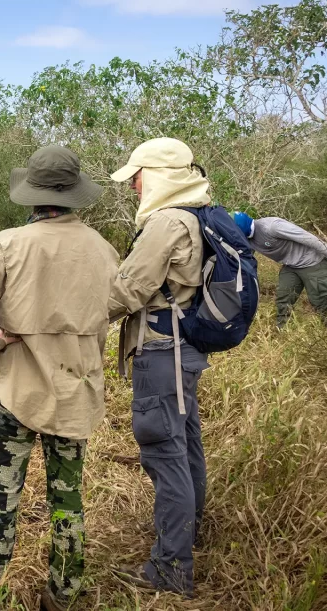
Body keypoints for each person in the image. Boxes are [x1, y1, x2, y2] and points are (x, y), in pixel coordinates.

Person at [0, 146, 119, 611]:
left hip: (16, 395)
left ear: (32, 195)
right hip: (77, 394)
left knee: (2, 498)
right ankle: (63, 596)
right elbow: (120, 309)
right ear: (75, 195)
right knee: (69, 499)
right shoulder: (104, 251)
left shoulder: (8, 244)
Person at [107, 137, 211, 598]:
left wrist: (64, 320)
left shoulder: (167, 222)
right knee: (186, 447)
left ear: (159, 176)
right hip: (184, 349)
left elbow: (127, 290)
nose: (132, 185)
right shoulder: (199, 212)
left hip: (161, 351)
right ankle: (188, 535)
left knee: (163, 454)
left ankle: (171, 566)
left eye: (137, 175)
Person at [232, 212, 327, 327]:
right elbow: (246, 256)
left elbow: (306, 237)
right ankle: (282, 330)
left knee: (319, 300)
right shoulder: (246, 238)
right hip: (291, 265)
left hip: (312, 261)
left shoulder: (272, 226)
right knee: (283, 299)